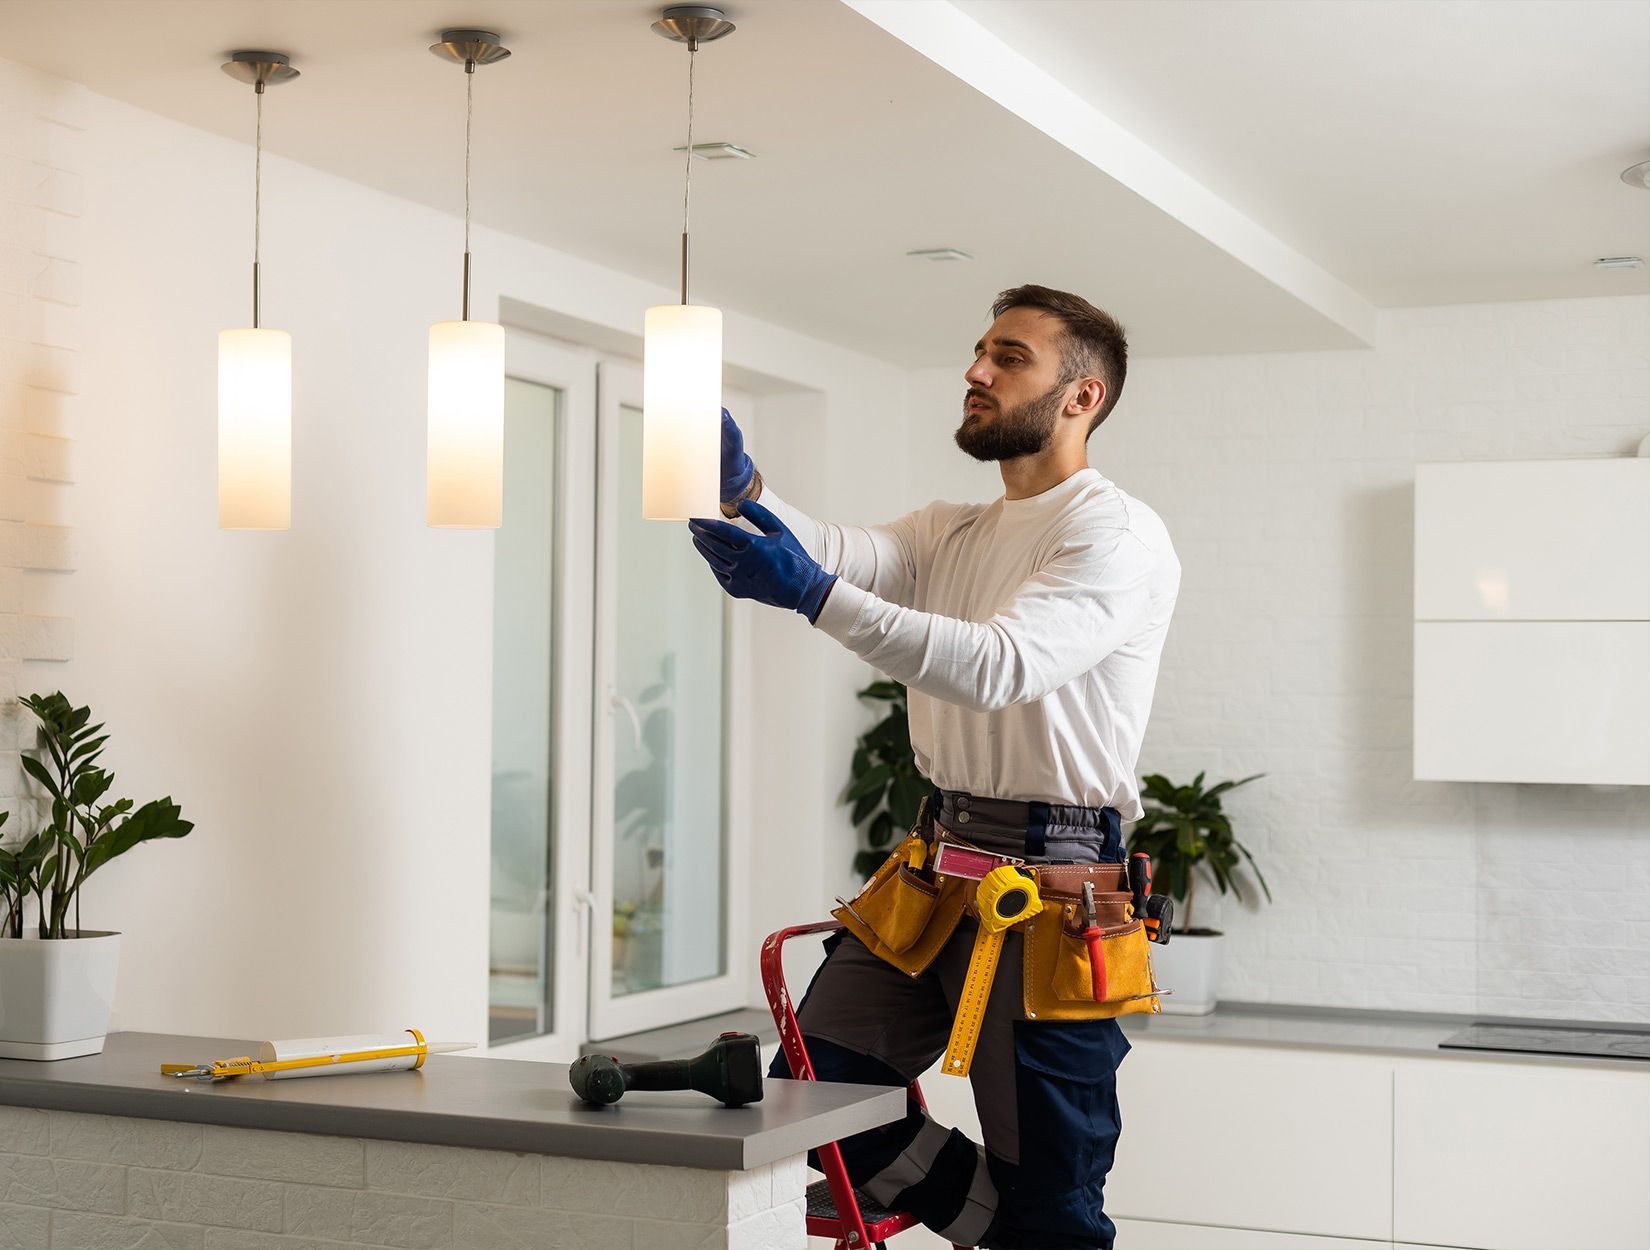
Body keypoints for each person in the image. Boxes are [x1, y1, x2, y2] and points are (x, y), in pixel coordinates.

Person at [687, 284, 1181, 1250]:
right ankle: (1010, 1230)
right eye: (978, 353)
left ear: (1081, 398)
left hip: (1054, 887)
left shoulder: (1114, 535)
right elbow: (834, 554)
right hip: (937, 864)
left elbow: (1000, 667)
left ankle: (1037, 1227)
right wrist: (750, 495)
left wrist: (814, 598)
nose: (976, 371)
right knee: (815, 1105)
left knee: (1057, 1179)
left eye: (1009, 358)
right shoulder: (950, 527)